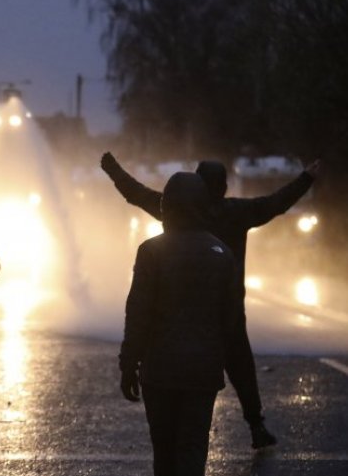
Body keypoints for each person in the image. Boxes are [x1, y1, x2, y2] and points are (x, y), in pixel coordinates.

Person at [101, 152, 320, 448]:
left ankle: (179, 429)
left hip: (177, 312)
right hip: (226, 311)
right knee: (242, 367)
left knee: (176, 369)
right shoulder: (238, 212)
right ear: (224, 186)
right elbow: (277, 203)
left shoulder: (174, 210)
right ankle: (256, 425)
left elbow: (136, 193)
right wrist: (306, 178)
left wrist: (113, 169)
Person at [120, 172, 236, 476]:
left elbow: (138, 311)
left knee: (164, 451)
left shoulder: (151, 251)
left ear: (167, 207)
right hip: (203, 371)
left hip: (161, 368)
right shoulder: (221, 252)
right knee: (192, 451)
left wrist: (128, 362)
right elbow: (231, 321)